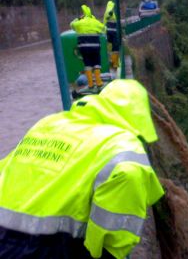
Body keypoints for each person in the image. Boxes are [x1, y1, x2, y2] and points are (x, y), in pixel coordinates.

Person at [0, 79, 165, 259]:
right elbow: (114, 229)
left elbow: (7, 167)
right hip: (48, 247)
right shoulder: (123, 146)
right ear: (139, 115)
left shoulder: (49, 123)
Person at [71, 5, 106, 94]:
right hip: (95, 47)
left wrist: (78, 19)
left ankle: (90, 85)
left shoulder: (80, 22)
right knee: (97, 65)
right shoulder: (95, 22)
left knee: (88, 66)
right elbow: (104, 29)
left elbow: (72, 25)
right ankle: (99, 84)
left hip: (84, 49)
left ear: (84, 14)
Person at [103, 1, 120, 71]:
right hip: (112, 33)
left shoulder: (108, 11)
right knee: (115, 48)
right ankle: (114, 63)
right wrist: (110, 13)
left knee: (112, 48)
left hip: (108, 33)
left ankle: (113, 63)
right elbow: (108, 15)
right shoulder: (109, 11)